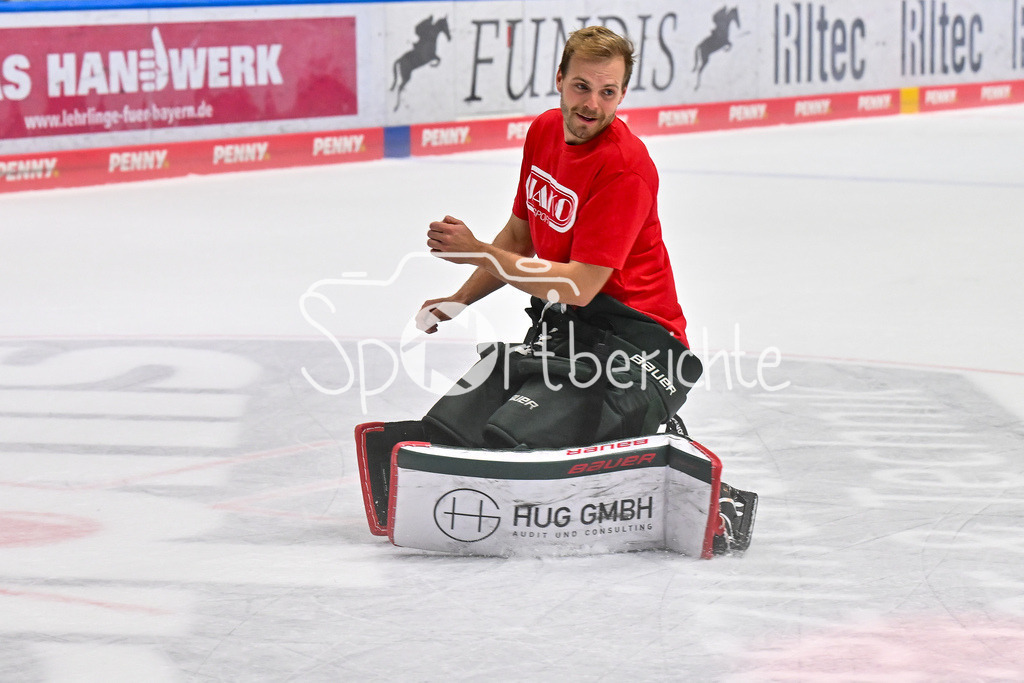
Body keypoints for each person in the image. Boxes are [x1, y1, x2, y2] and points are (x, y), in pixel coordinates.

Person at [415, 25, 702, 450]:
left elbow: (580, 286)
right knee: (446, 431)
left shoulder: (624, 168)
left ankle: (645, 432)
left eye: (608, 92)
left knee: (508, 441)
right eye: (581, 87)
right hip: (569, 330)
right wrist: (459, 300)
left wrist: (478, 251)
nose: (591, 104)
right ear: (559, 81)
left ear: (622, 95)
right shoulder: (545, 130)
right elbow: (518, 235)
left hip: (642, 348)